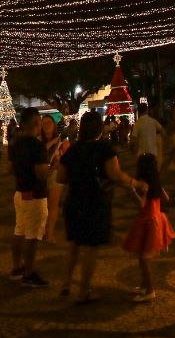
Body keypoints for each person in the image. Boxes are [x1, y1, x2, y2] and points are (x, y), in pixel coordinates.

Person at [58, 111, 145, 303]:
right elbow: (115, 175)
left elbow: (60, 177)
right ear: (99, 129)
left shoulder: (73, 149)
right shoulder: (104, 148)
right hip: (95, 202)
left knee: (74, 244)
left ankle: (65, 285)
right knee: (90, 247)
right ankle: (83, 291)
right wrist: (136, 183)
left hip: (73, 202)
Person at [123, 153, 175, 302]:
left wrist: (132, 191)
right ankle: (144, 285)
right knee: (142, 256)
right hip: (156, 218)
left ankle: (150, 290)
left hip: (147, 221)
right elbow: (166, 198)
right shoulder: (156, 181)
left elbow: (141, 205)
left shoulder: (143, 184)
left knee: (144, 258)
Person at [9, 108, 50, 287]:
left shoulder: (15, 143)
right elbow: (41, 174)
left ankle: (16, 267)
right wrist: (53, 166)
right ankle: (29, 273)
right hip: (35, 194)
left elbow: (11, 168)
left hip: (20, 192)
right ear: (36, 123)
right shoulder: (37, 145)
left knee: (19, 230)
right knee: (32, 236)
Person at [40, 114, 68, 243]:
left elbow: (67, 159)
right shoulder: (38, 141)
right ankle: (41, 230)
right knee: (41, 205)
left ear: (54, 125)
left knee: (53, 204)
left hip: (55, 174)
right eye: (44, 123)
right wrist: (53, 141)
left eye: (49, 122)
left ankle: (49, 233)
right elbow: (39, 151)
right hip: (40, 174)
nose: (47, 125)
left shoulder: (62, 142)